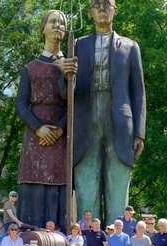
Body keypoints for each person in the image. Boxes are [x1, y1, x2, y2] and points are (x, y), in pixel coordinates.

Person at [62, 0, 146, 225]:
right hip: (85, 120)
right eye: (96, 5)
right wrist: (65, 74)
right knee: (86, 187)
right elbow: (64, 92)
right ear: (90, 13)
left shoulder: (130, 46)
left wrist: (139, 132)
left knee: (117, 189)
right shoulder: (77, 45)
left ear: (114, 11)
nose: (101, 8)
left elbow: (138, 92)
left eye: (106, 4)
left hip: (119, 121)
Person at [15, 9, 68, 231]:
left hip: (62, 135)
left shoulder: (70, 66)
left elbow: (78, 104)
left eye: (62, 23)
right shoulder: (30, 68)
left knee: (61, 183)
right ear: (43, 28)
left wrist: (60, 128)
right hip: (35, 137)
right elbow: (20, 104)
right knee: (33, 182)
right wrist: (38, 128)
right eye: (53, 22)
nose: (58, 26)